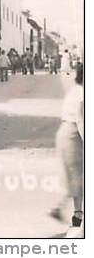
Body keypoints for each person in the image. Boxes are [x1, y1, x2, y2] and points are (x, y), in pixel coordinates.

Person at [50, 63, 83, 236]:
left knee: (74, 176)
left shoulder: (75, 90)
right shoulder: (83, 94)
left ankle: (66, 211)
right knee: (77, 176)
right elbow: (81, 120)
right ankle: (76, 221)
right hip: (73, 135)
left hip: (65, 133)